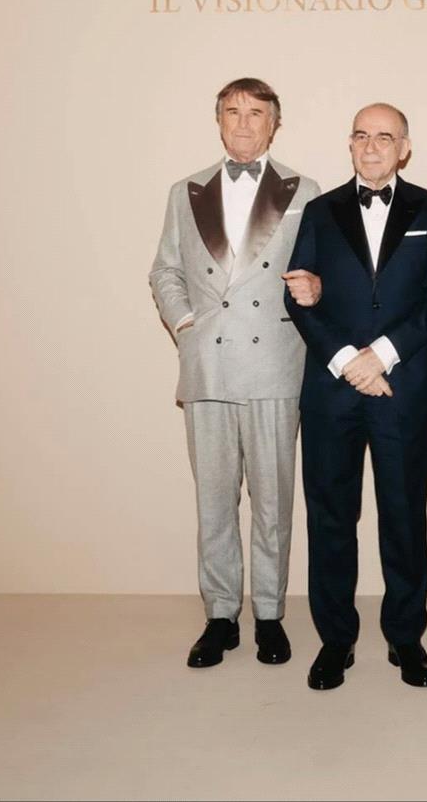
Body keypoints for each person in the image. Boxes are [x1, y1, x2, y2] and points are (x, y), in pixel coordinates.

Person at [149, 78, 320, 669]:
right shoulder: (185, 190)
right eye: (232, 112)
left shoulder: (305, 191)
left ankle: (269, 615)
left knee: (273, 501)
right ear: (218, 120)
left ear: (275, 123)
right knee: (215, 500)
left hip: (274, 364)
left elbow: (321, 269)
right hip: (208, 365)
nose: (243, 123)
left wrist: (317, 288)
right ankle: (220, 616)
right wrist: (186, 324)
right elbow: (165, 270)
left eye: (256, 113)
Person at [284, 104, 427, 690]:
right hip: (331, 392)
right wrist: (346, 361)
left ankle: (406, 638)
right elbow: (297, 295)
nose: (372, 146)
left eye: (385, 137)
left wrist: (379, 356)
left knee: (404, 516)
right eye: (362, 136)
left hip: (402, 389)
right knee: (331, 517)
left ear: (404, 148)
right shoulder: (320, 210)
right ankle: (336, 641)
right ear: (350, 145)